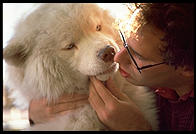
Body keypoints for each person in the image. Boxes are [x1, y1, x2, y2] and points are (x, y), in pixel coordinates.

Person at [28, 3, 194, 130]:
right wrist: (34, 115)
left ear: (187, 69)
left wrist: (137, 128)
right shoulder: (154, 81)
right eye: (125, 43)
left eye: (138, 57)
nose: (117, 57)